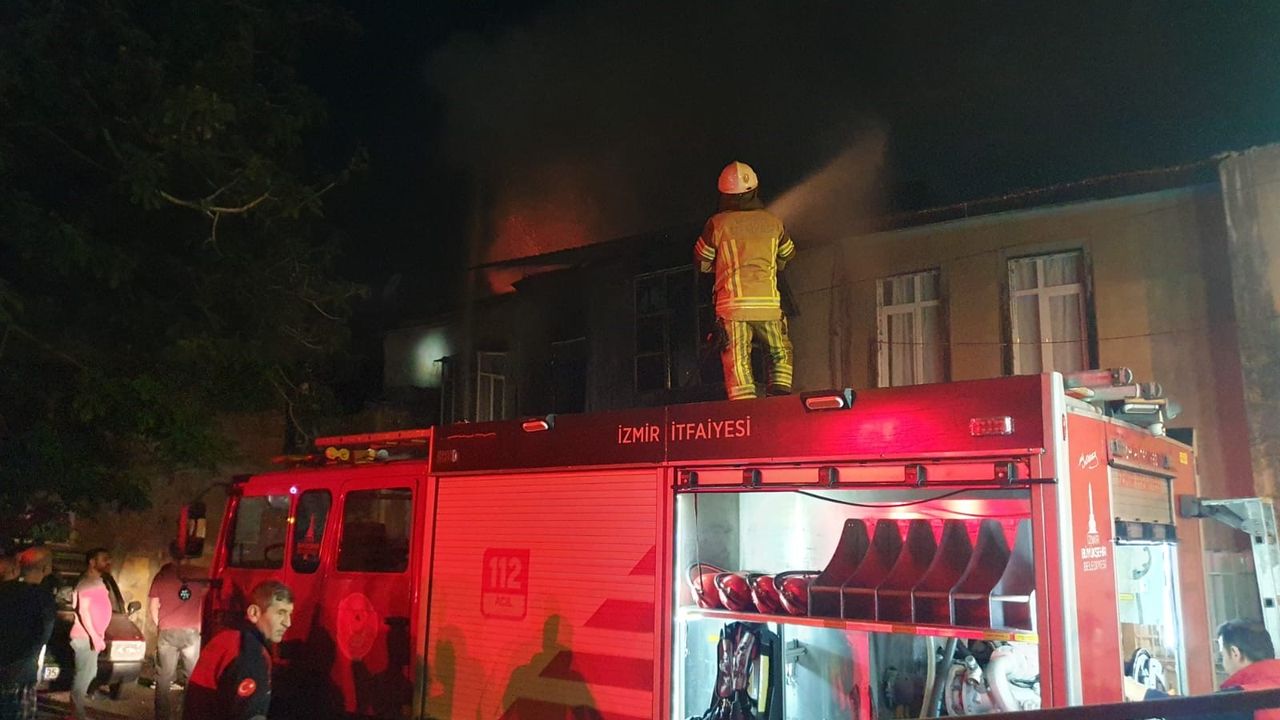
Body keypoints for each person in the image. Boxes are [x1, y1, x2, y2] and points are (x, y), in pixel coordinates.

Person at [694, 161, 797, 400]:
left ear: (724, 195)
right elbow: (788, 255)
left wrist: (720, 266)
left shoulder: (717, 224)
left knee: (736, 358)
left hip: (733, 308)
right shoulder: (774, 221)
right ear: (755, 190)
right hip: (768, 305)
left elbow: (702, 261)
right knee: (779, 350)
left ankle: (744, 406)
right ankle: (780, 392)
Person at [1125, 619, 1280, 720]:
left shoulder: (1246, 699)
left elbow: (1186, 711)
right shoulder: (1270, 690)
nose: (1222, 662)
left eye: (1222, 655)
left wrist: (1130, 688)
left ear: (1235, 653)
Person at [184, 580, 294, 720]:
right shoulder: (251, 654)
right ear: (254, 613)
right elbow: (251, 714)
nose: (287, 623)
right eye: (280, 613)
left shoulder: (225, 638)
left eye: (289, 614)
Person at [149, 545, 209, 720]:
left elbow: (153, 606)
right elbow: (206, 597)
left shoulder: (162, 576)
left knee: (164, 677)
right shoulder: (200, 574)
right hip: (192, 631)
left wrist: (160, 625)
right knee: (192, 676)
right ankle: (190, 714)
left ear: (171, 554)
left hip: (168, 631)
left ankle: (162, 717)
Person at [0, 547, 56, 720]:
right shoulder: (42, 599)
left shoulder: (6, 591)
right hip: (20, 675)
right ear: (46, 568)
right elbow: (42, 637)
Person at [69, 548, 113, 720]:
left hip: (91, 637)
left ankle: (77, 713)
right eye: (104, 559)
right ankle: (77, 715)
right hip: (85, 637)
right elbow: (83, 611)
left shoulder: (97, 581)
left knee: (89, 673)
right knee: (83, 677)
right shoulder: (87, 583)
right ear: (92, 562)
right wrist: (94, 637)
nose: (108, 562)